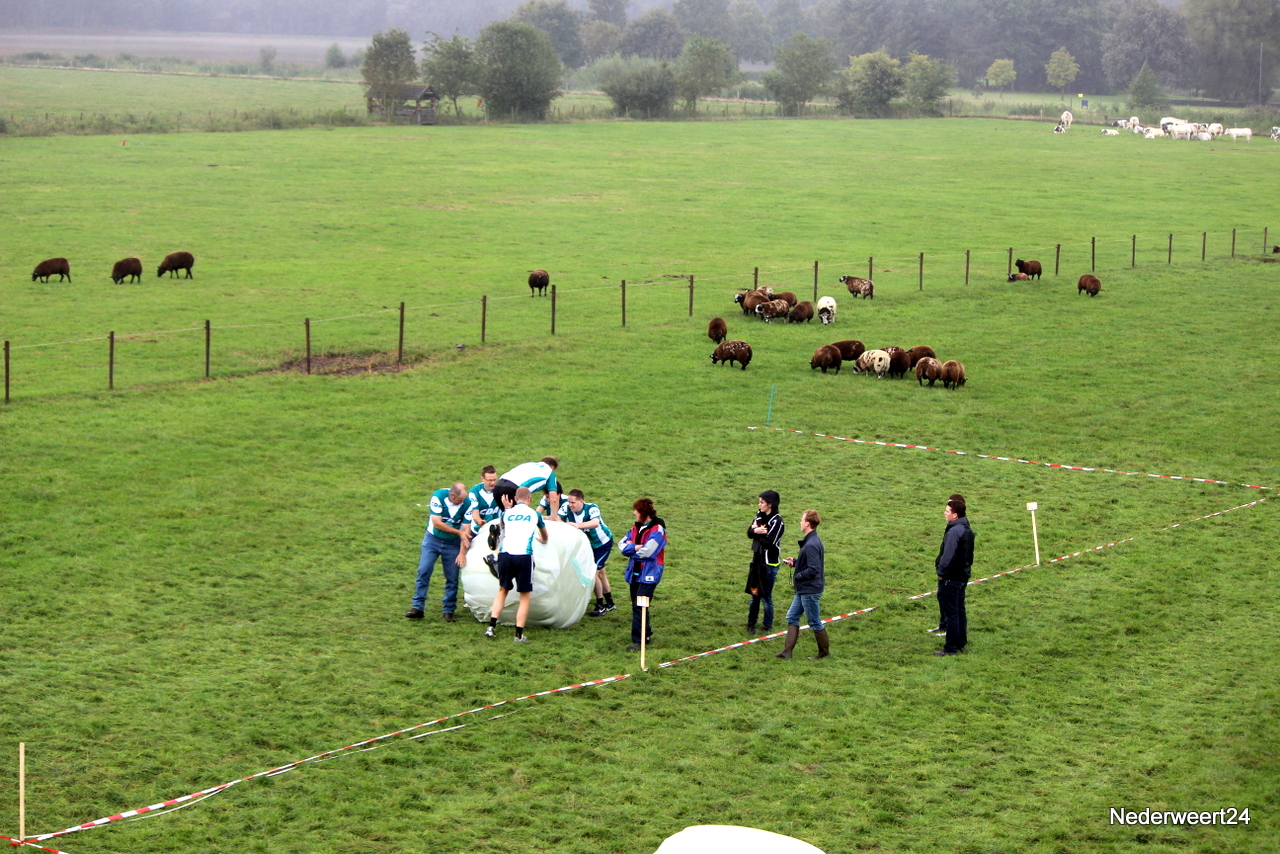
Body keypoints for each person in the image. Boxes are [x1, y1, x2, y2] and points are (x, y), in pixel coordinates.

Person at [485, 487, 548, 643]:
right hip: (524, 556)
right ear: (529, 499)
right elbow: (545, 535)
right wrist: (543, 539)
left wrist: (507, 508)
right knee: (524, 596)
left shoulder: (506, 514)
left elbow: (501, 526)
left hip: (505, 555)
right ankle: (518, 634)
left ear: (515, 499)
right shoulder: (535, 514)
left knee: (502, 590)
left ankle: (491, 627)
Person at [405, 482, 470, 622]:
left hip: (452, 544)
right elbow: (437, 523)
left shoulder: (467, 503)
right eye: (459, 500)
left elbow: (466, 529)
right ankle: (418, 607)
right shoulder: (438, 497)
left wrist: (462, 552)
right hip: (432, 540)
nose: (462, 502)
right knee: (424, 570)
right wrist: (459, 533)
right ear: (452, 495)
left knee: (452, 577)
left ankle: (449, 610)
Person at [776, 509, 829, 660]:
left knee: (814, 622)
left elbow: (814, 569)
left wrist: (798, 576)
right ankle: (787, 651)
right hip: (804, 588)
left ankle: (824, 653)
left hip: (809, 589)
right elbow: (810, 563)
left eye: (802, 520)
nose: (800, 522)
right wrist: (796, 563)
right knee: (792, 616)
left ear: (807, 523)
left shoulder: (811, 544)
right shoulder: (812, 541)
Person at [619, 497, 666, 651]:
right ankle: (646, 634)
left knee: (640, 605)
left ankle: (640, 640)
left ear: (643, 512)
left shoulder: (657, 530)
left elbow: (648, 552)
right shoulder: (635, 528)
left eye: (636, 510)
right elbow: (621, 546)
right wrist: (637, 547)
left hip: (649, 573)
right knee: (638, 605)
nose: (634, 513)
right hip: (635, 573)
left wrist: (631, 548)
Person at [559, 488, 615, 616]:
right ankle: (610, 603)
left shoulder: (592, 508)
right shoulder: (566, 507)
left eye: (573, 502)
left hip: (602, 544)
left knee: (593, 573)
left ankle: (600, 605)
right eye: (569, 502)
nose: (570, 505)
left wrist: (577, 525)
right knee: (601, 573)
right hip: (588, 545)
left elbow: (595, 523)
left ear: (581, 501)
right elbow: (557, 519)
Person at [934, 495, 975, 656]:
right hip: (962, 576)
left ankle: (950, 648)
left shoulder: (954, 531)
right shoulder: (966, 528)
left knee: (951, 614)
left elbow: (948, 555)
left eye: (947, 511)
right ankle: (960, 644)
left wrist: (941, 572)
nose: (944, 513)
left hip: (951, 578)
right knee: (959, 612)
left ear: (955, 515)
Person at [745, 490, 784, 634]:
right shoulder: (759, 515)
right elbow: (749, 533)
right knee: (754, 594)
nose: (759, 504)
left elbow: (769, 543)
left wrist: (757, 532)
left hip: (769, 564)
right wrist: (756, 531)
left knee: (766, 597)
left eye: (762, 502)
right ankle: (751, 623)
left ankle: (767, 625)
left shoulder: (777, 521)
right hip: (756, 562)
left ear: (770, 504)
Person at [928, 493, 966, 636]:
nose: (946, 510)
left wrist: (942, 570)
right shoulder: (954, 526)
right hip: (950, 572)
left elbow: (951, 553)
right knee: (943, 599)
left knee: (953, 605)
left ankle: (951, 633)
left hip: (951, 574)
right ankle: (943, 625)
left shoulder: (958, 529)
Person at [494, 457, 561, 518]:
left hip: (497, 486)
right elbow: (554, 499)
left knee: (507, 517)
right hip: (512, 489)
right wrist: (553, 517)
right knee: (518, 519)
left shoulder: (529, 464)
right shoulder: (549, 472)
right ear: (552, 467)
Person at [467, 465, 503, 548]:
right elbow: (475, 513)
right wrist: (480, 521)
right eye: (489, 480)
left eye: (494, 480)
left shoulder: (500, 490)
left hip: (496, 530)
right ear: (482, 478)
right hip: (477, 530)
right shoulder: (475, 491)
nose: (493, 483)